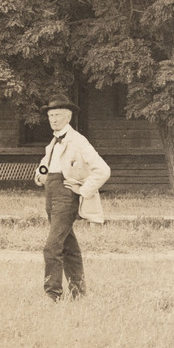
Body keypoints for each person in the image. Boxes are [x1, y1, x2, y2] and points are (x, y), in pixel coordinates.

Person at [33, 99, 110, 300]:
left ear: (68, 116)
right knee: (69, 246)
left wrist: (83, 190)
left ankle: (53, 295)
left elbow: (103, 170)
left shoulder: (78, 141)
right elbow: (46, 162)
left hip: (66, 197)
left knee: (52, 247)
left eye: (58, 115)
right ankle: (78, 292)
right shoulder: (53, 141)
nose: (53, 119)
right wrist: (41, 174)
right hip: (50, 194)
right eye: (50, 116)